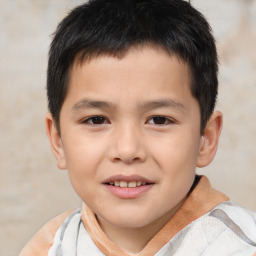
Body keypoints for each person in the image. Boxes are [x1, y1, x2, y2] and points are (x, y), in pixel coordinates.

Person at [20, 0, 256, 255]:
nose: (127, 149)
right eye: (97, 120)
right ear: (58, 140)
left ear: (206, 139)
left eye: (159, 120)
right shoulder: (49, 247)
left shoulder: (242, 245)